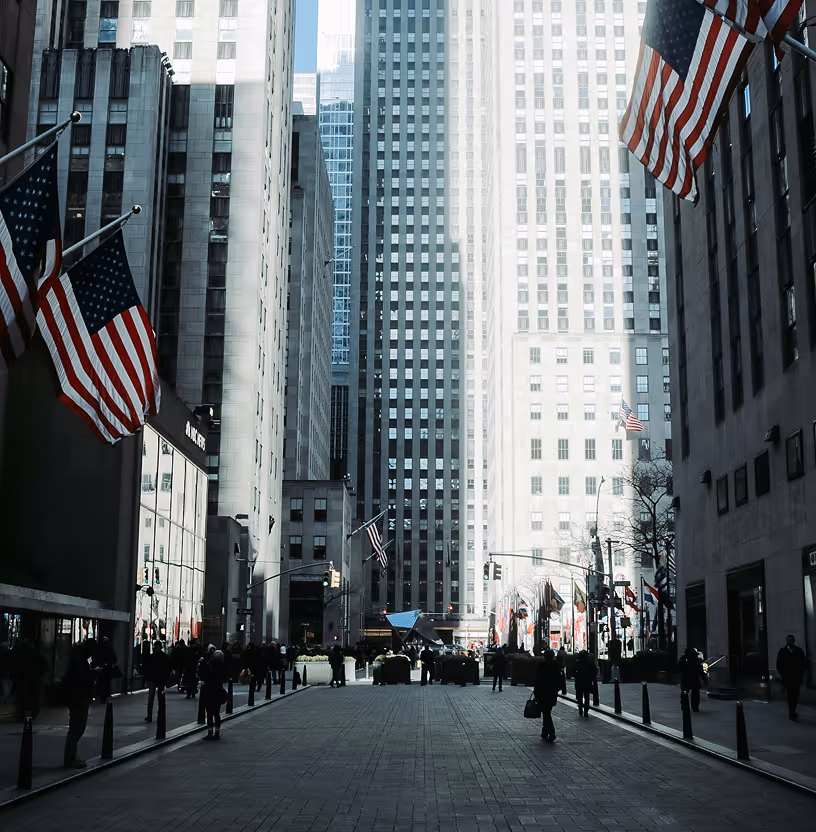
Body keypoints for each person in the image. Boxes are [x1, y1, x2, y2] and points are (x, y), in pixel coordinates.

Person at [63, 639, 96, 768]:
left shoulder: (80, 656)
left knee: (77, 728)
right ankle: (70, 758)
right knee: (77, 727)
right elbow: (80, 678)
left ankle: (71, 756)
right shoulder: (80, 659)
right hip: (78, 697)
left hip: (77, 696)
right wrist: (91, 675)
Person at [533, 649, 563, 743]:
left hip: (542, 692)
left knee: (546, 713)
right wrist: (556, 689)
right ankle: (545, 732)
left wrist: (536, 692)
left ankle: (551, 732)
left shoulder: (541, 666)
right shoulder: (556, 666)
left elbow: (537, 680)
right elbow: (560, 681)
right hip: (552, 692)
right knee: (547, 712)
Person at [13, 639, 46, 721]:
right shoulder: (37, 655)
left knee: (23, 695)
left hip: (25, 677)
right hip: (34, 678)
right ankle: (33, 713)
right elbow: (44, 665)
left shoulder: (22, 655)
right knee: (34, 696)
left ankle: (22, 712)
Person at [776, 634, 807, 720]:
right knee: (790, 696)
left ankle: (793, 711)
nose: (789, 641)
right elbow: (779, 664)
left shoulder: (799, 651)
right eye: (788, 640)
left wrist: (801, 674)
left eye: (791, 640)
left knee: (795, 695)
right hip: (787, 678)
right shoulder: (783, 651)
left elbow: (803, 664)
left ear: (794, 641)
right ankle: (791, 712)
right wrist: (783, 674)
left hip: (796, 678)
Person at [199, 647, 227, 740]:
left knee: (210, 713)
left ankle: (210, 732)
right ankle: (217, 732)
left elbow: (204, 675)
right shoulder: (222, 667)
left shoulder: (210, 665)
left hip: (209, 691)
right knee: (216, 713)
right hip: (218, 692)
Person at [144, 641, 172, 723]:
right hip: (154, 679)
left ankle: (159, 715)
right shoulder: (158, 657)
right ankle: (150, 715)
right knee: (152, 697)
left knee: (159, 698)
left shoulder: (162, 657)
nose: (156, 649)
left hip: (160, 680)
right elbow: (147, 668)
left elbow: (168, 668)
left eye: (157, 647)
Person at [677, 646, 705, 713]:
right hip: (693, 678)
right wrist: (704, 678)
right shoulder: (694, 659)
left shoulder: (684, 659)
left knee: (686, 691)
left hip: (687, 678)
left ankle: (686, 705)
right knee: (694, 692)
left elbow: (679, 667)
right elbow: (700, 669)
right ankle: (694, 707)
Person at [92, 637, 117, 704]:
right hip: (107, 668)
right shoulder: (109, 649)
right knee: (106, 682)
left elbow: (97, 658)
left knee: (101, 682)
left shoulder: (100, 649)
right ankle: (105, 694)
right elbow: (114, 658)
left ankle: (101, 695)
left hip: (102, 667)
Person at [573, 650, 597, 717]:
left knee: (580, 697)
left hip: (579, 682)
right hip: (587, 682)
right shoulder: (589, 663)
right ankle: (586, 711)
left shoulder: (578, 663)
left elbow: (573, 671)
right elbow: (595, 671)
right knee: (586, 697)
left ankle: (581, 709)